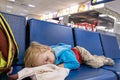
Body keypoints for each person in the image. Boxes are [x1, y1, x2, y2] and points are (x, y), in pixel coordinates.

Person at [7, 41, 114, 80]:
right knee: (91, 60)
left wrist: (60, 67)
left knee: (94, 63)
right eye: (44, 63)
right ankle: (95, 57)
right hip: (75, 55)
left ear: (49, 49)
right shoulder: (46, 55)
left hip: (80, 52)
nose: (48, 64)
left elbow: (75, 64)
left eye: (47, 59)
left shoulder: (63, 54)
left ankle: (103, 59)